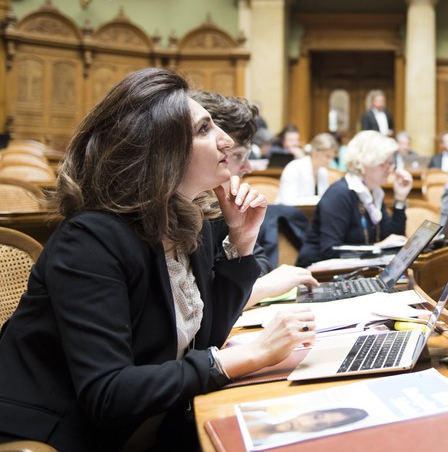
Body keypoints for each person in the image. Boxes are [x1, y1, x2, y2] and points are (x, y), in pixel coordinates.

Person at [0, 69, 316, 451]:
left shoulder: (185, 222)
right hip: (58, 435)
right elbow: (108, 394)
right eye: (203, 130)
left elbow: (207, 338)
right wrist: (251, 355)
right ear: (159, 152)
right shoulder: (90, 241)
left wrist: (241, 241)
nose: (226, 140)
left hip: (149, 424)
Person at [190, 90, 318, 309]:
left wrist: (241, 238)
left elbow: (260, 264)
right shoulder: (189, 212)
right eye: (238, 155)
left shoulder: (217, 207)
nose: (248, 167)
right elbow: (203, 307)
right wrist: (264, 287)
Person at [296, 130, 412, 267]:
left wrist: (400, 199)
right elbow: (331, 250)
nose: (389, 169)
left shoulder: (374, 192)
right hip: (317, 273)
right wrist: (376, 247)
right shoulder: (339, 194)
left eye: (391, 163)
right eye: (383, 163)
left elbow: (393, 241)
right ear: (362, 163)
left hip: (354, 271)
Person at [241, 406, 368, 446]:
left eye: (320, 425)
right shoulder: (254, 413)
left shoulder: (264, 445)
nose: (304, 423)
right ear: (308, 412)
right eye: (316, 417)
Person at [276, 132, 339, 205]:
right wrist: (320, 199)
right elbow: (288, 201)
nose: (330, 161)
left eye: (332, 157)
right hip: (286, 214)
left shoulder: (323, 172)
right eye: (327, 156)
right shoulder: (294, 168)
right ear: (315, 152)